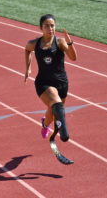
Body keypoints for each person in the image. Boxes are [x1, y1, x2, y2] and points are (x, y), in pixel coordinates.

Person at [24, 14, 77, 142]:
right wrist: (28, 68)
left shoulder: (60, 42)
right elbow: (27, 50)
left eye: (52, 25)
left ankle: (45, 124)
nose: (50, 28)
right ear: (41, 28)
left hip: (61, 82)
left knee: (53, 111)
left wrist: (70, 43)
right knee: (57, 105)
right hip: (44, 83)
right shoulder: (34, 43)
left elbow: (73, 57)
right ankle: (63, 131)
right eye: (46, 26)